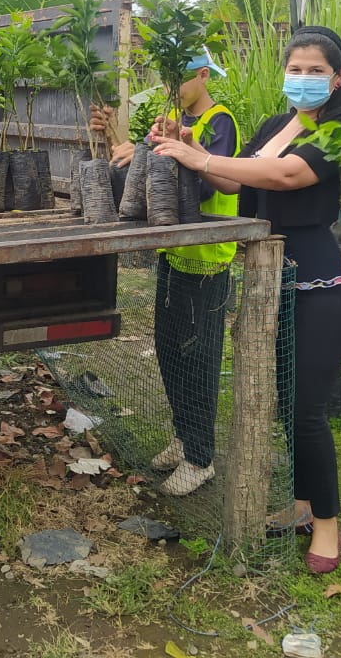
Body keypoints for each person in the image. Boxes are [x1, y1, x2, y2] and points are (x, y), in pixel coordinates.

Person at [153, 26, 341, 573]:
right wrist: (192, 150)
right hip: (273, 284)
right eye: (295, 69)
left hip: (325, 284)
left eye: (316, 70)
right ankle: (302, 503)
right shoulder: (274, 126)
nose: (303, 78)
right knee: (287, 403)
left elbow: (289, 174)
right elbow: (236, 183)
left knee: (307, 409)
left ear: (337, 77)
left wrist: (200, 160)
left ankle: (327, 524)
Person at [94, 47, 240, 496]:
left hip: (207, 260)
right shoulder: (172, 118)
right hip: (174, 255)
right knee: (170, 352)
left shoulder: (219, 121)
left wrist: (174, 148)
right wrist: (130, 146)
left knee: (199, 360)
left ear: (203, 75)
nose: (169, 87)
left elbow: (206, 179)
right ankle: (184, 435)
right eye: (165, 78)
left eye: (178, 78)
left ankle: (200, 458)